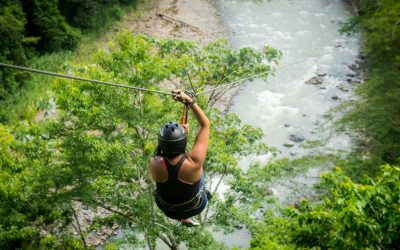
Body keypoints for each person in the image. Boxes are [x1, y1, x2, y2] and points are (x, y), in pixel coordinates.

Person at [149, 89, 210, 226]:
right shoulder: (194, 163)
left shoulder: (154, 163)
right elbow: (205, 125)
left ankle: (182, 218)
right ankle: (186, 216)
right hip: (195, 206)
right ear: (184, 142)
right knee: (200, 172)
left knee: (172, 182)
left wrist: (179, 133)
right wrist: (190, 101)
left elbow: (164, 152)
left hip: (168, 209)